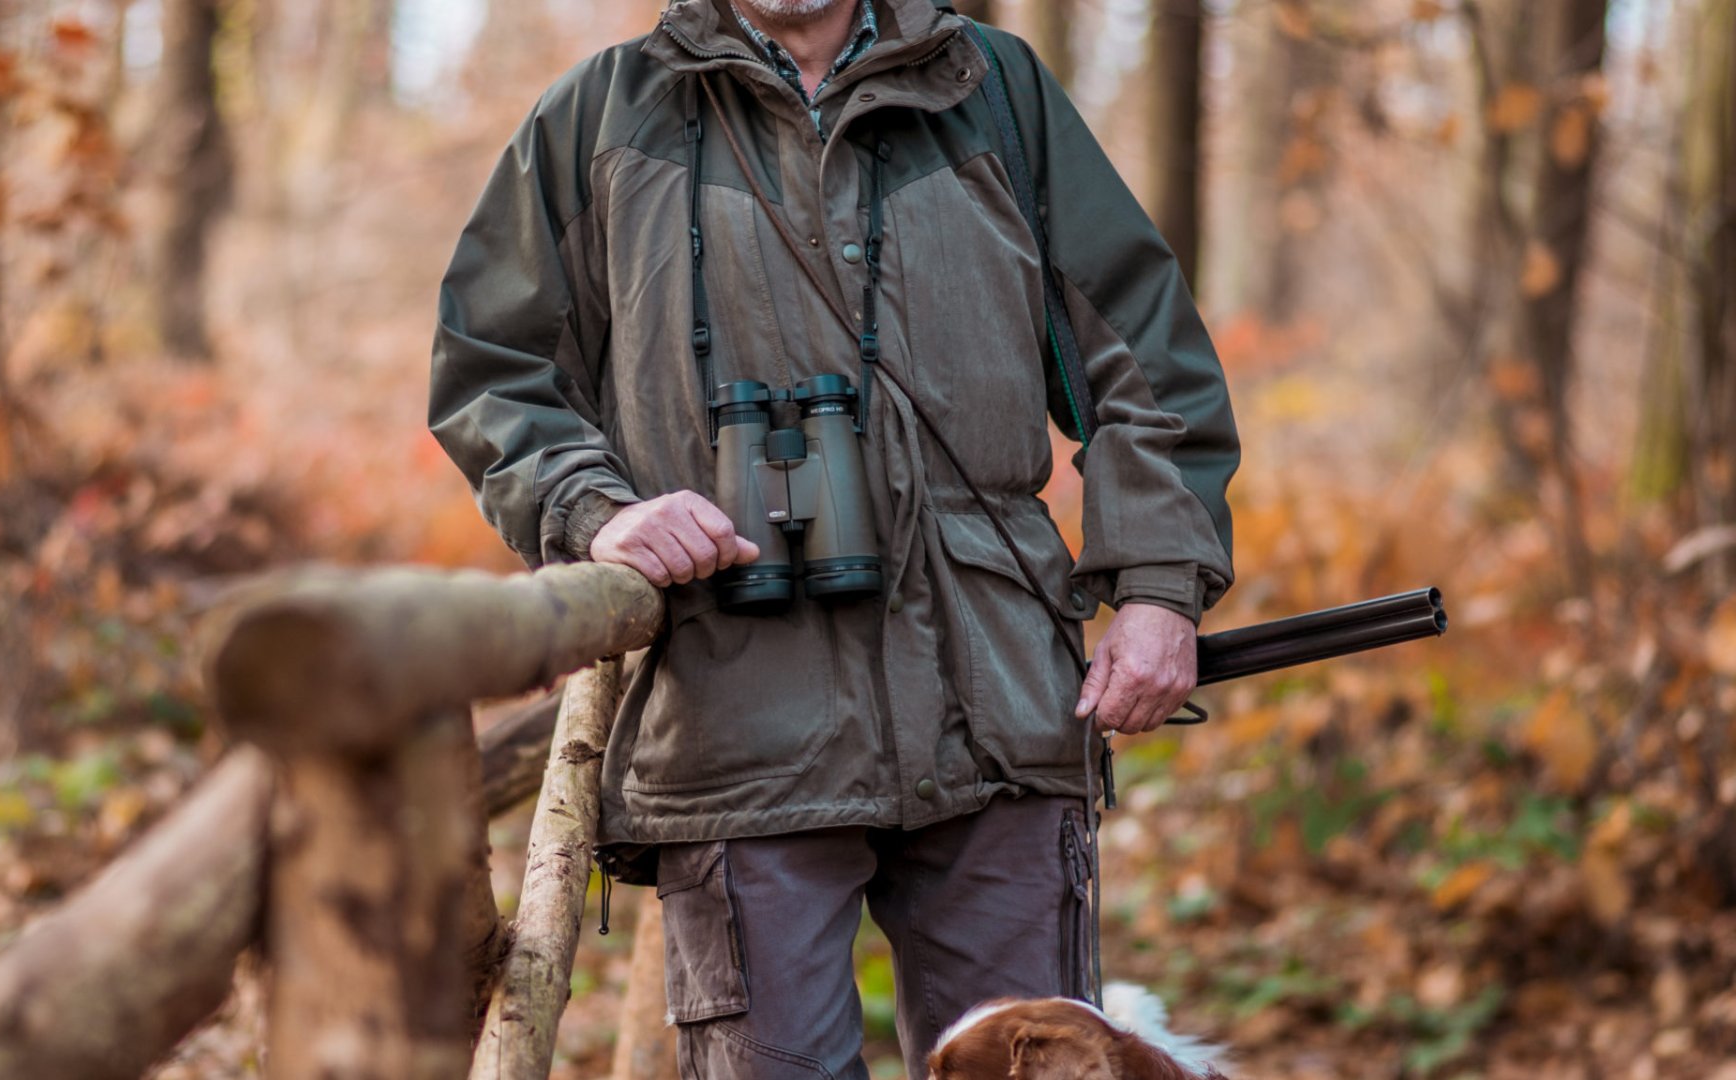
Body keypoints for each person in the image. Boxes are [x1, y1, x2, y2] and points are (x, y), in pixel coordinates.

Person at [428, 0, 1238, 1075]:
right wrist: (600, 509)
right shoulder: (605, 117)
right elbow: (493, 368)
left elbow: (1145, 362)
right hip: (737, 716)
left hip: (996, 705)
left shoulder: (991, 91)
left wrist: (1156, 585)